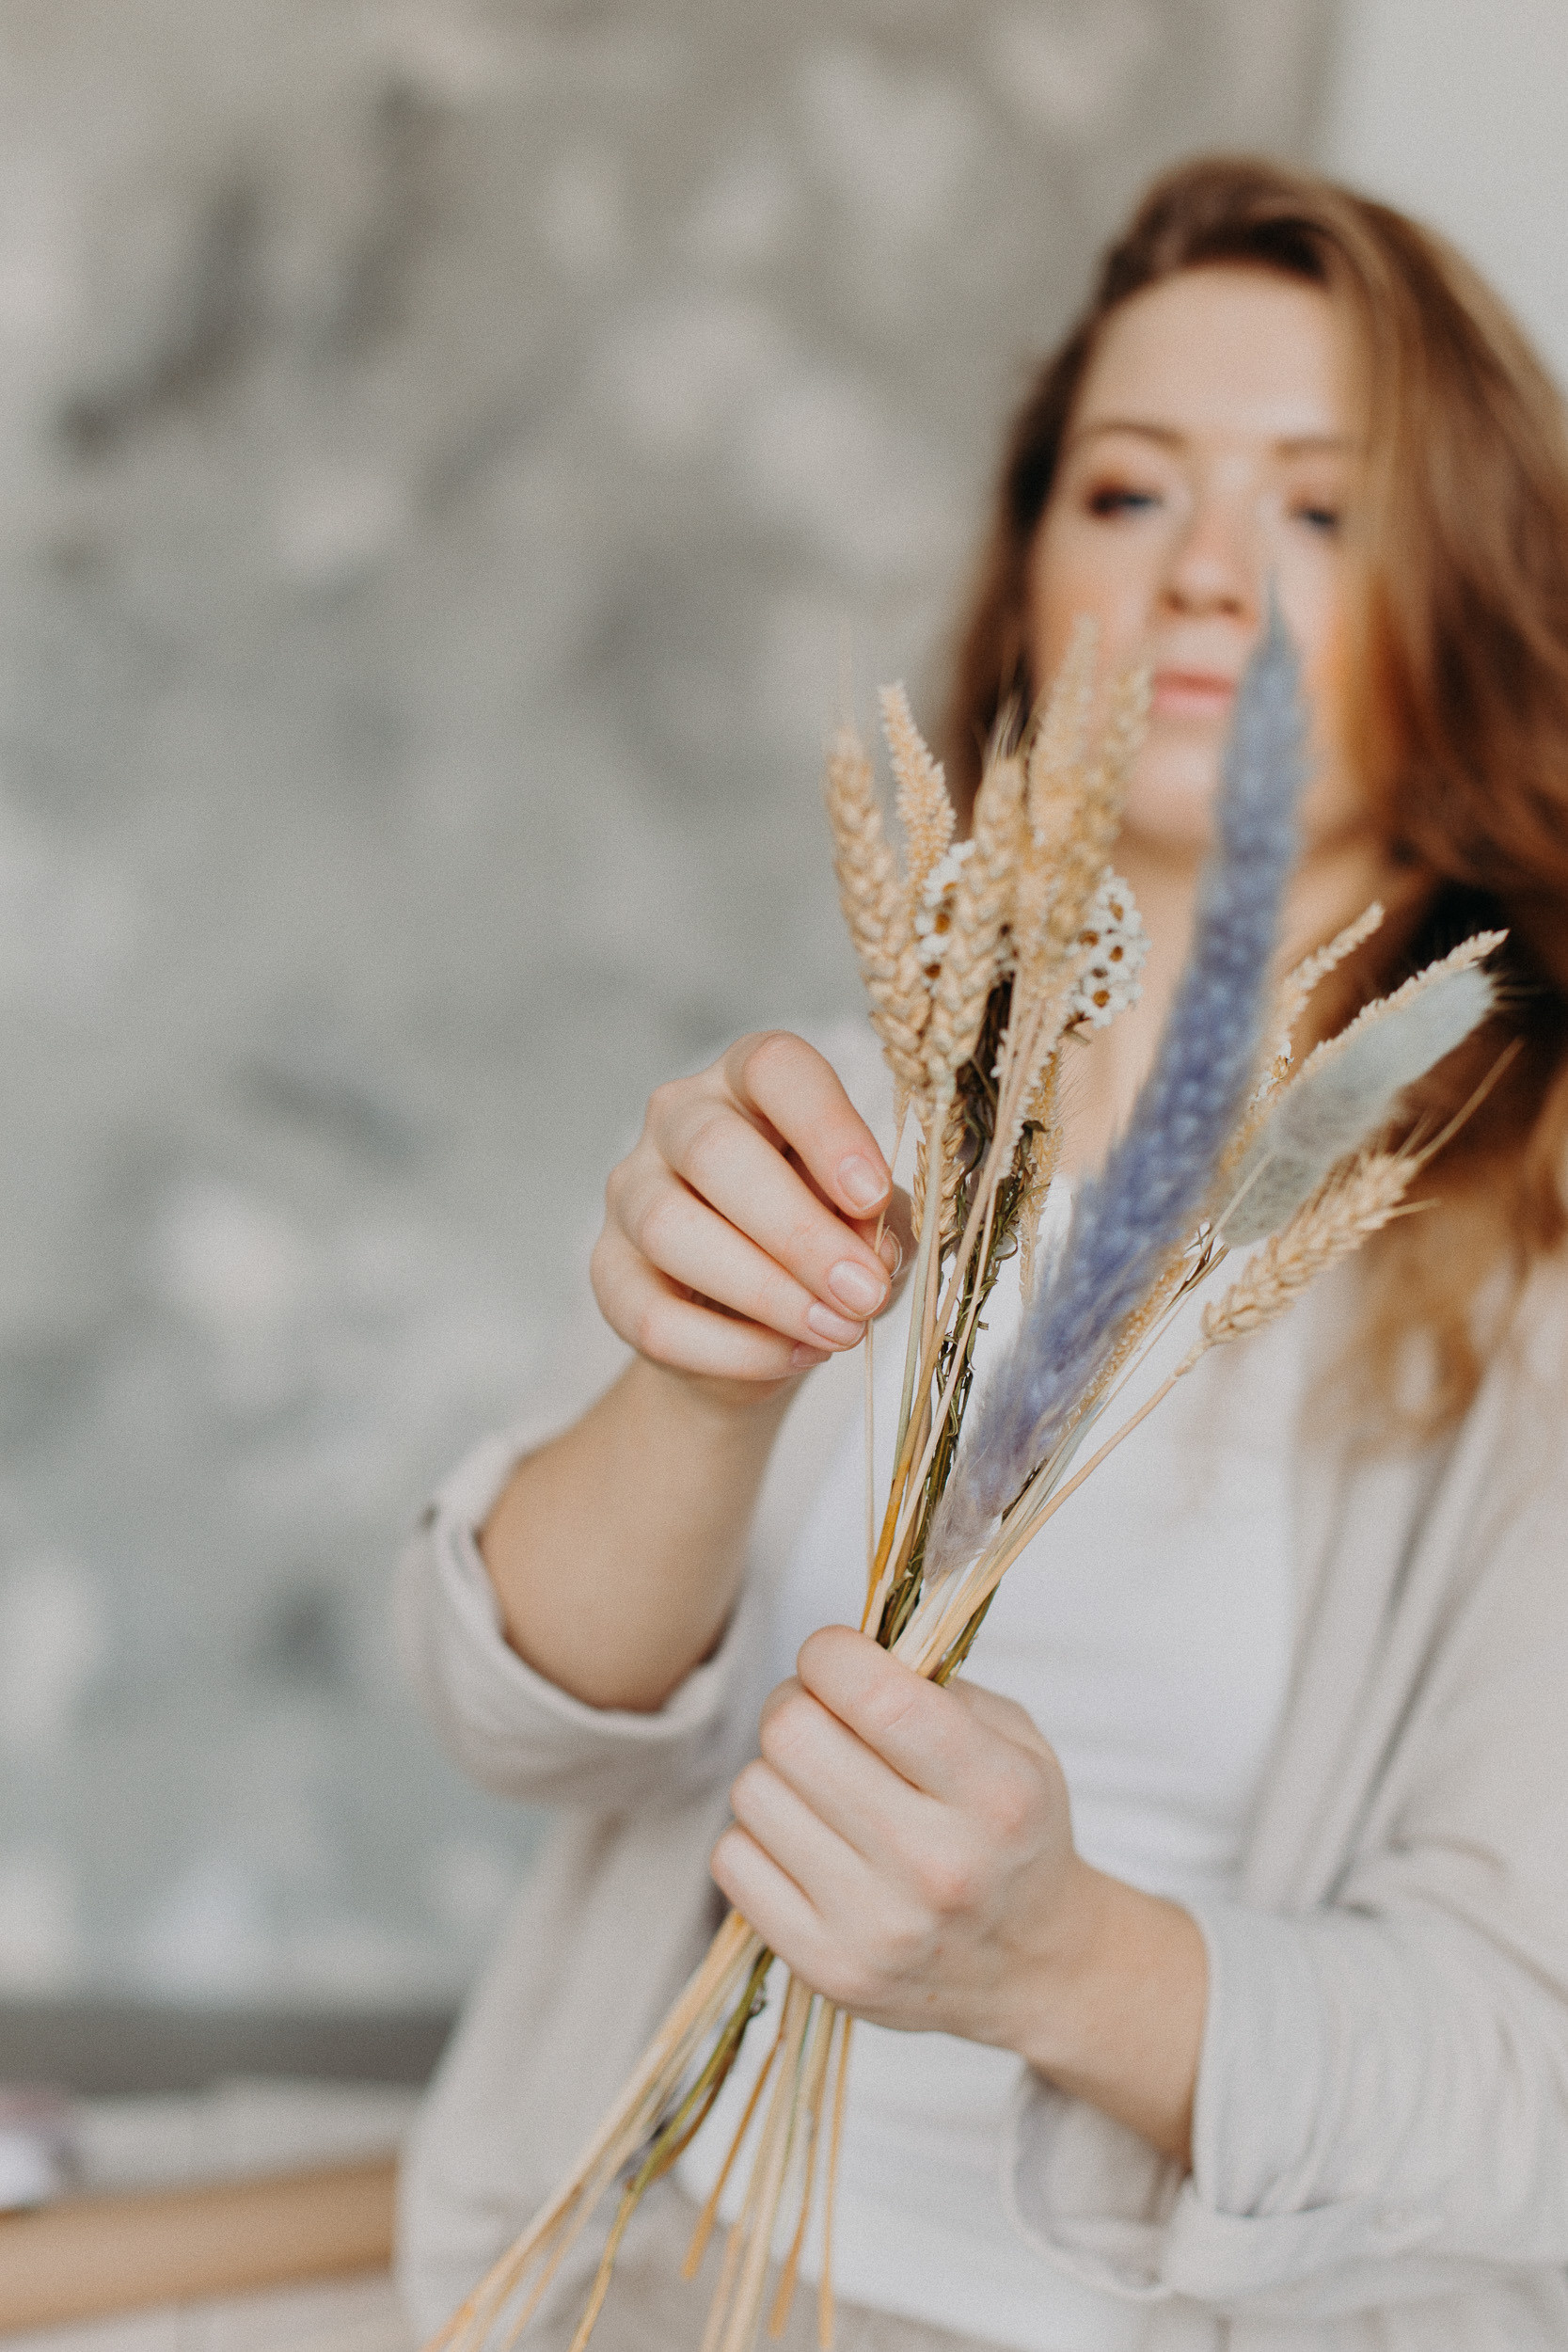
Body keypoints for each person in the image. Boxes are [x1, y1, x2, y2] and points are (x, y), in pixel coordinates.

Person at [394, 158, 1568, 2351]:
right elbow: (516, 1717)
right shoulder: (838, 1106)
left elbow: (1530, 2080)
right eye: (1129, 488)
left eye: (1323, 507)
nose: (1207, 568)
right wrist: (696, 1383)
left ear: (1479, 592)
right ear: (1033, 571)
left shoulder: (1536, 1266)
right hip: (652, 2277)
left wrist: (1057, 1958)